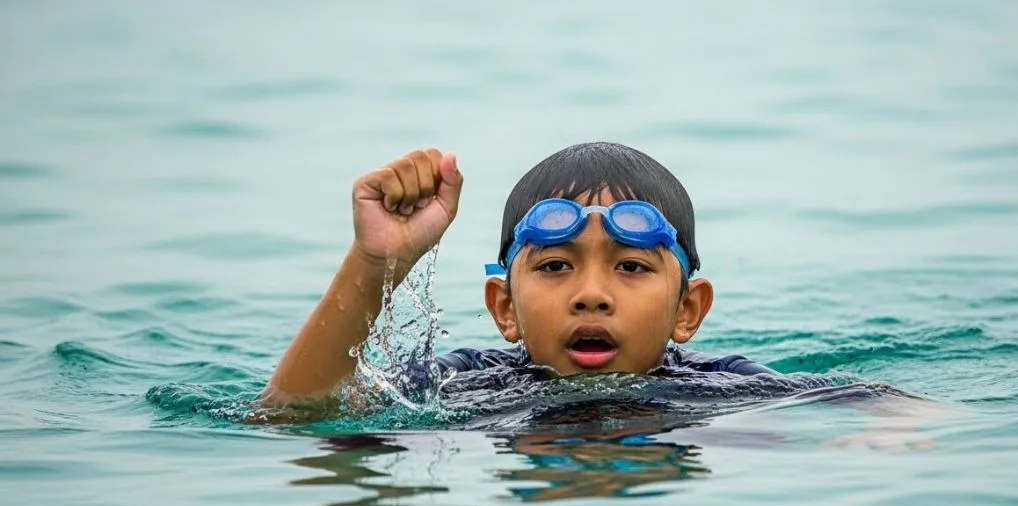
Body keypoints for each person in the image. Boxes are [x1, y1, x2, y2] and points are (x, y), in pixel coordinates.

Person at [262, 142, 832, 408]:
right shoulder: (463, 382)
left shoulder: (722, 387)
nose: (590, 296)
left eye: (631, 266)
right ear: (504, 307)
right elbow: (295, 412)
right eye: (555, 265)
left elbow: (873, 403)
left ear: (687, 310)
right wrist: (375, 264)